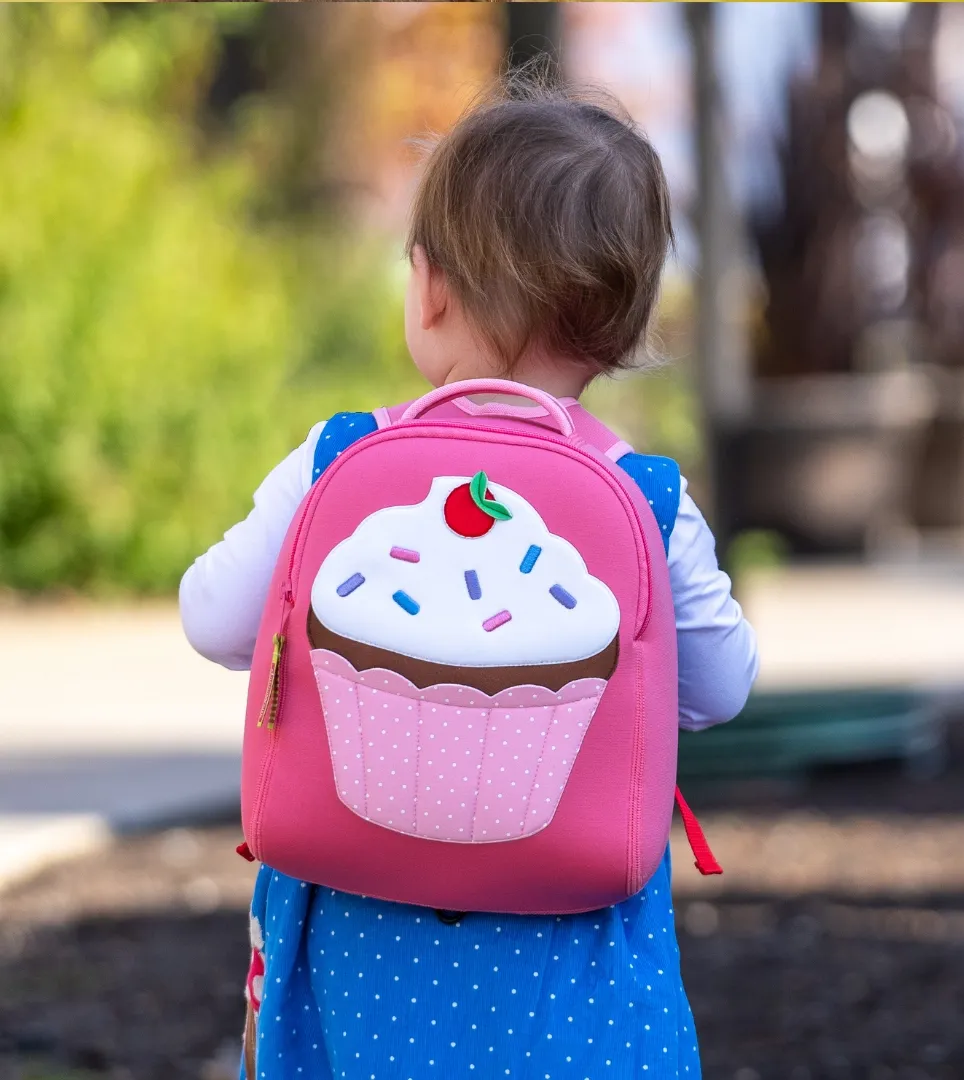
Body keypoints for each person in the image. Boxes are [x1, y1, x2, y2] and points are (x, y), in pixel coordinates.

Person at [180, 72, 759, 1080]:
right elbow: (721, 689)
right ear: (622, 329)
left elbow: (216, 621)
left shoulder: (336, 459)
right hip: (570, 953)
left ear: (432, 286)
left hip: (357, 940)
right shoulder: (652, 501)